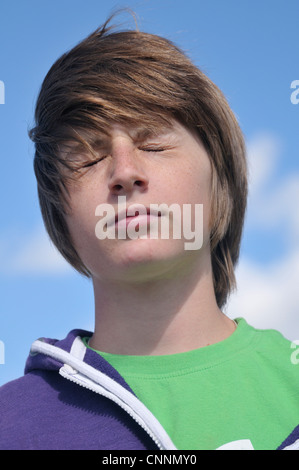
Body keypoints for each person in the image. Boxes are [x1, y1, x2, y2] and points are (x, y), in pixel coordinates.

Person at [0, 14, 298, 451]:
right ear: (60, 213)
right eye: (87, 157)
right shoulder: (11, 426)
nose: (124, 172)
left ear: (220, 183)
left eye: (153, 144)